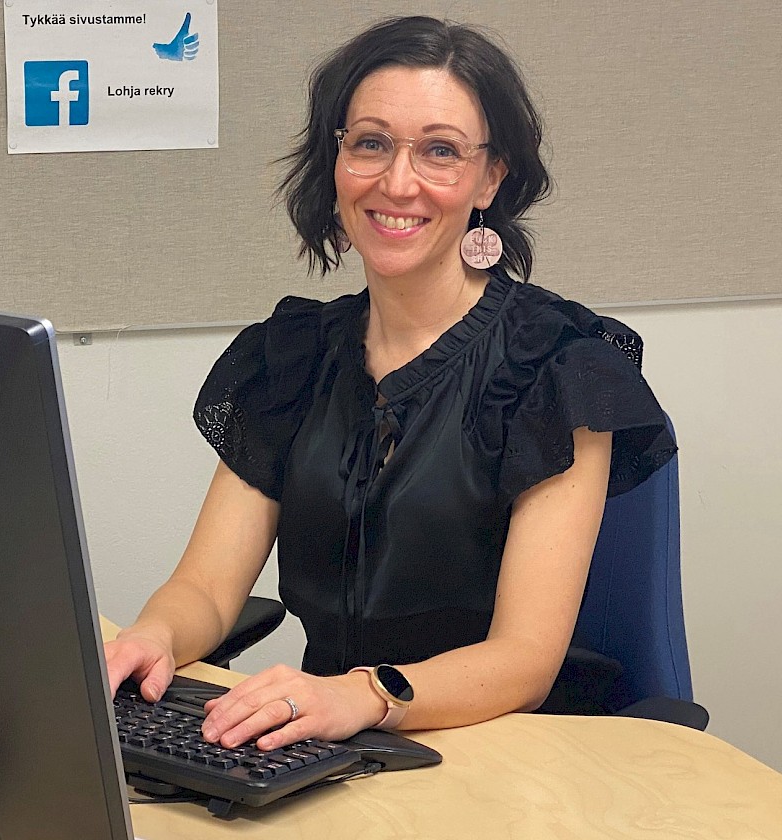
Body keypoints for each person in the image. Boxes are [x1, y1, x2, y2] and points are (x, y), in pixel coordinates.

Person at [105, 16, 676, 753]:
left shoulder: (557, 364)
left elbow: (524, 660)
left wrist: (366, 695)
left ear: (490, 178)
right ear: (337, 160)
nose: (397, 182)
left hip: (505, 747)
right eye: (371, 143)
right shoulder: (293, 357)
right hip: (327, 739)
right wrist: (154, 633)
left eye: (441, 151)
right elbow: (208, 589)